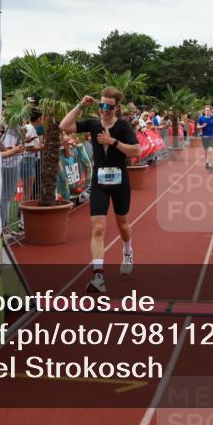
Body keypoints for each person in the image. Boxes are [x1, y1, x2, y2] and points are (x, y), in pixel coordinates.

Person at [59, 87, 141, 293]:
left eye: (108, 106)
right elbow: (64, 126)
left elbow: (137, 150)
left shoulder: (123, 126)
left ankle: (128, 250)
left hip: (120, 181)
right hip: (99, 182)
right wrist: (79, 105)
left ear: (116, 107)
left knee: (123, 224)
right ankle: (98, 275)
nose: (104, 109)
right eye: (101, 105)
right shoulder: (93, 124)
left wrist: (111, 141)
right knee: (98, 228)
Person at [197, 105, 213, 172]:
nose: (207, 111)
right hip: (204, 137)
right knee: (206, 151)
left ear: (211, 111)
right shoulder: (201, 118)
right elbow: (197, 127)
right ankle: (207, 161)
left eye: (209, 110)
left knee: (210, 150)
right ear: (204, 111)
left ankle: (210, 165)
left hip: (211, 136)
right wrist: (201, 126)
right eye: (206, 110)